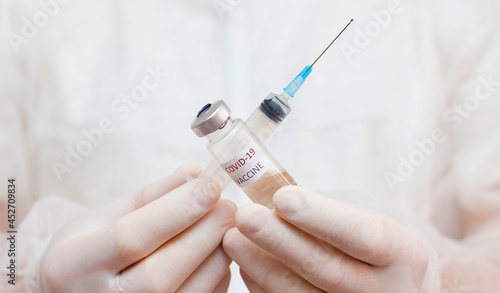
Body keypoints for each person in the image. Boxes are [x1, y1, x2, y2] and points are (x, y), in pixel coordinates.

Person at [1, 0, 499, 292]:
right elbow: (6, 222)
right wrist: (29, 273)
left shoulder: (453, 13)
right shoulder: (27, 15)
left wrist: (436, 274)